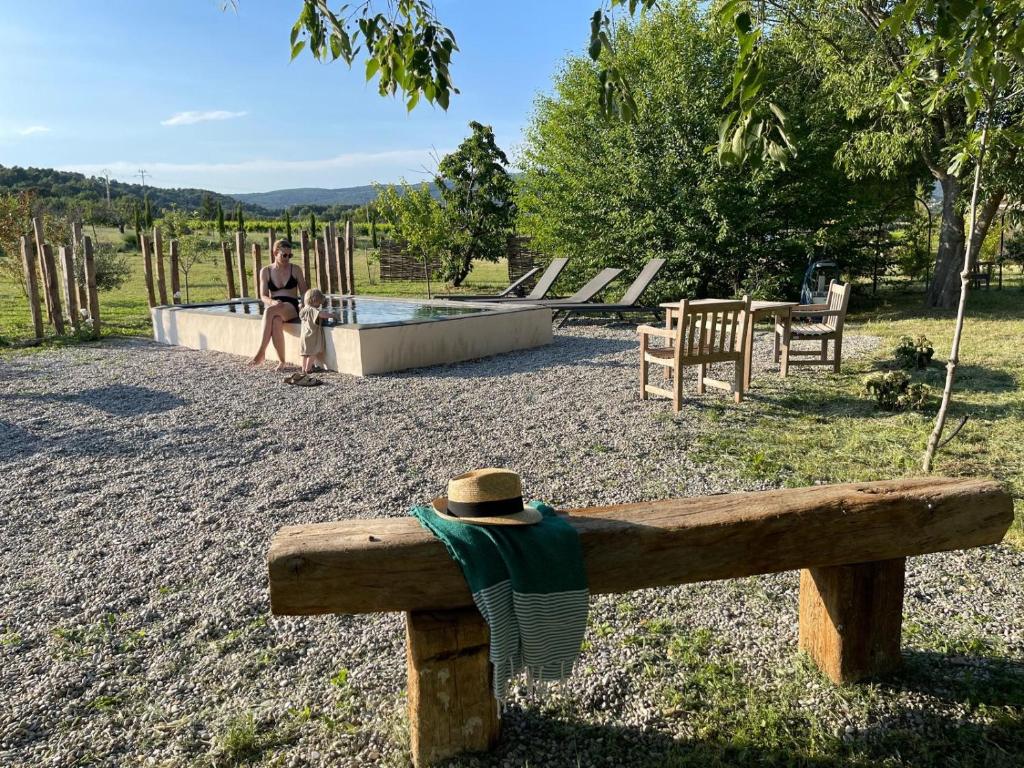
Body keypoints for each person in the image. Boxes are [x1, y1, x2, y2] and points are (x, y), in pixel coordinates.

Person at [250, 239, 308, 370]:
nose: (287, 258)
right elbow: (263, 296)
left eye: (290, 255)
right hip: (275, 305)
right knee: (275, 321)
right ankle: (282, 361)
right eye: (284, 255)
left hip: (291, 306)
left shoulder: (296, 269)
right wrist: (272, 302)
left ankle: (261, 352)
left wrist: (303, 305)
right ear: (275, 253)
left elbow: (305, 292)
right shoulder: (266, 271)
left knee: (268, 312)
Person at [298, 288, 331, 375]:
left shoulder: (304, 309)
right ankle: (308, 369)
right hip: (311, 336)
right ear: (314, 300)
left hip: (304, 336)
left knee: (305, 354)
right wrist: (333, 315)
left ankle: (303, 369)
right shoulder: (313, 310)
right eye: (319, 303)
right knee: (312, 353)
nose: (319, 305)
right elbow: (321, 314)